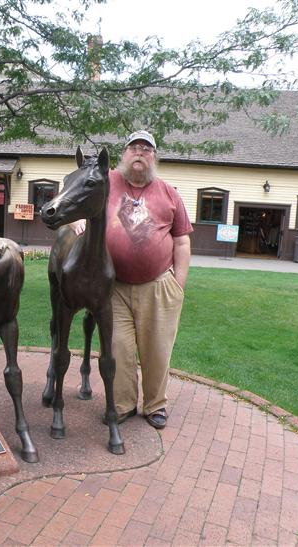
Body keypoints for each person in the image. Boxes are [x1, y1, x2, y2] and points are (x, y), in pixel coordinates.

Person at [72, 130, 193, 429]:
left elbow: (182, 241)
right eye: (134, 147)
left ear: (154, 157)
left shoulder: (168, 192)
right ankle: (123, 405)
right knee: (118, 348)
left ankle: (155, 406)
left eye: (147, 149)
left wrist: (179, 284)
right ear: (123, 154)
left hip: (158, 285)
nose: (140, 152)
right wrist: (76, 219)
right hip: (113, 287)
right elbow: (76, 195)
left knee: (157, 350)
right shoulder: (106, 181)